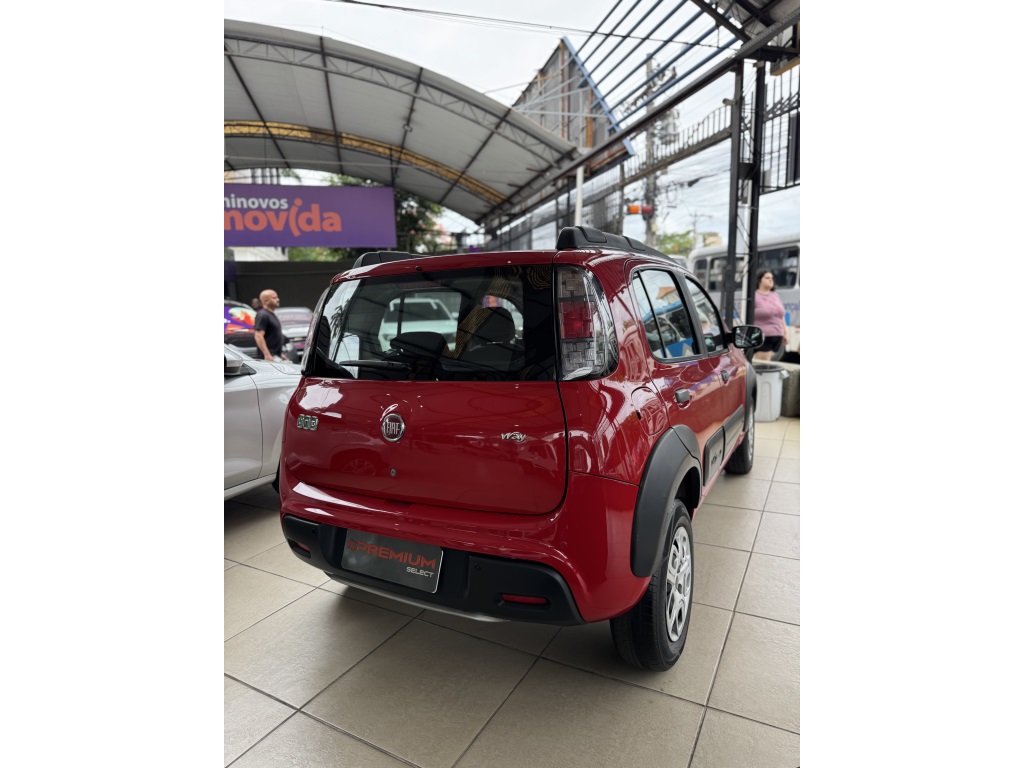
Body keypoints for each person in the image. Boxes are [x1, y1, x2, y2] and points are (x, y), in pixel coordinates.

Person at [752, 269, 788, 361]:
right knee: (763, 363)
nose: (770, 280)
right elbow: (745, 314)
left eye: (772, 278)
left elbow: (781, 317)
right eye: (767, 278)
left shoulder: (775, 295)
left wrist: (785, 333)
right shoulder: (754, 296)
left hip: (777, 336)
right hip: (763, 337)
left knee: (767, 362)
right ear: (759, 280)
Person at [254, 289, 289, 362]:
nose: (278, 299)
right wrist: (267, 355)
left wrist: (280, 354)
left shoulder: (271, 315)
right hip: (269, 359)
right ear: (266, 301)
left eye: (277, 297)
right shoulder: (262, 315)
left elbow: (273, 336)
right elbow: (258, 335)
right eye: (274, 298)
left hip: (276, 356)